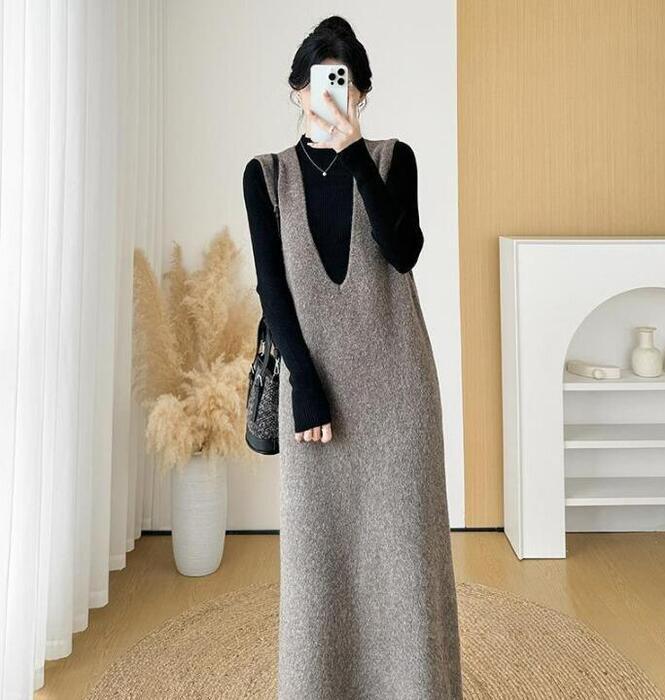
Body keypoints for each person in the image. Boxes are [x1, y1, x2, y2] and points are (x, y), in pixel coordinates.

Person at [243, 15, 463, 699]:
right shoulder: (265, 177)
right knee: (318, 566)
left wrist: (356, 152)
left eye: (345, 82)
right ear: (296, 89)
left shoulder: (394, 160)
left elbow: (403, 252)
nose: (332, 93)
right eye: (319, 80)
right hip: (312, 394)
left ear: (361, 92)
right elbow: (272, 289)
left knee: (405, 561)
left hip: (398, 391)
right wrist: (303, 385)